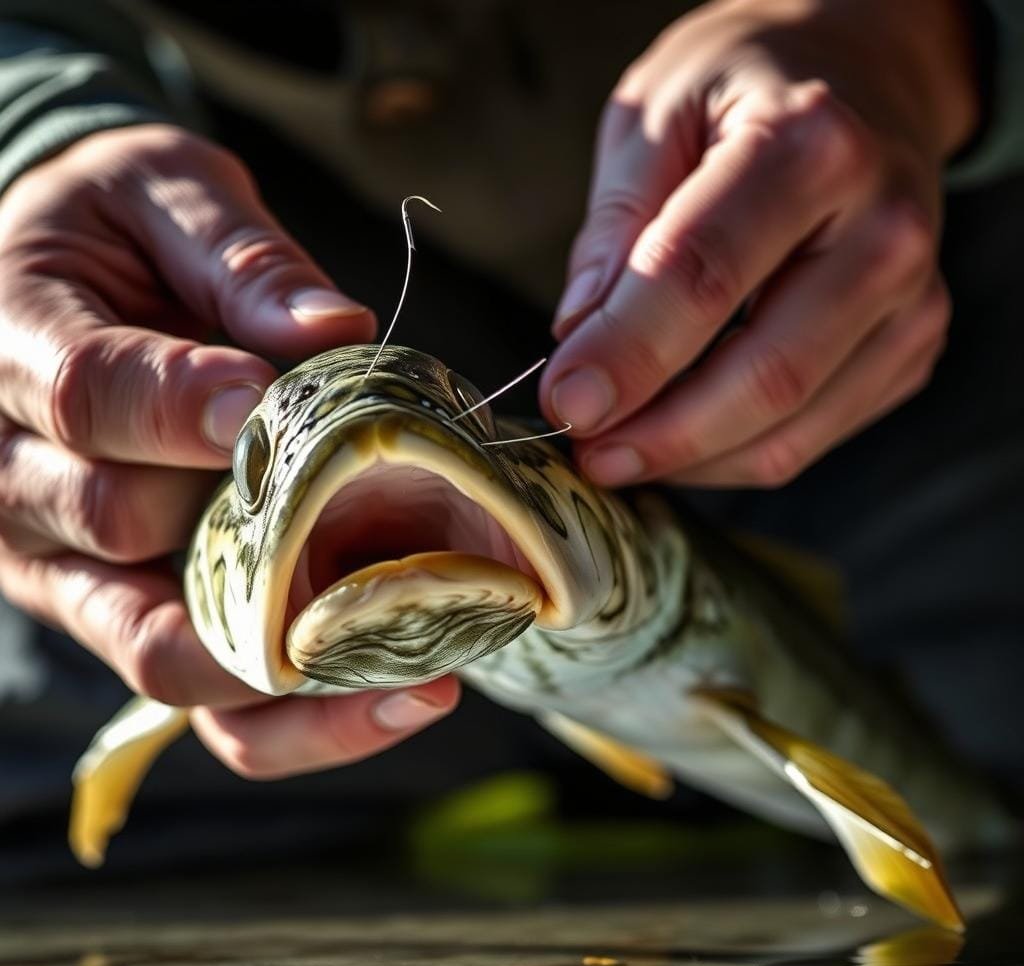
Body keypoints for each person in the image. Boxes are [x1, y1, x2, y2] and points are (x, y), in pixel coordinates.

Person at [0, 0, 1022, 874]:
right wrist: (31, 130)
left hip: (930, 289)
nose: (368, 451)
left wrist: (923, 38)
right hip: (179, 284)